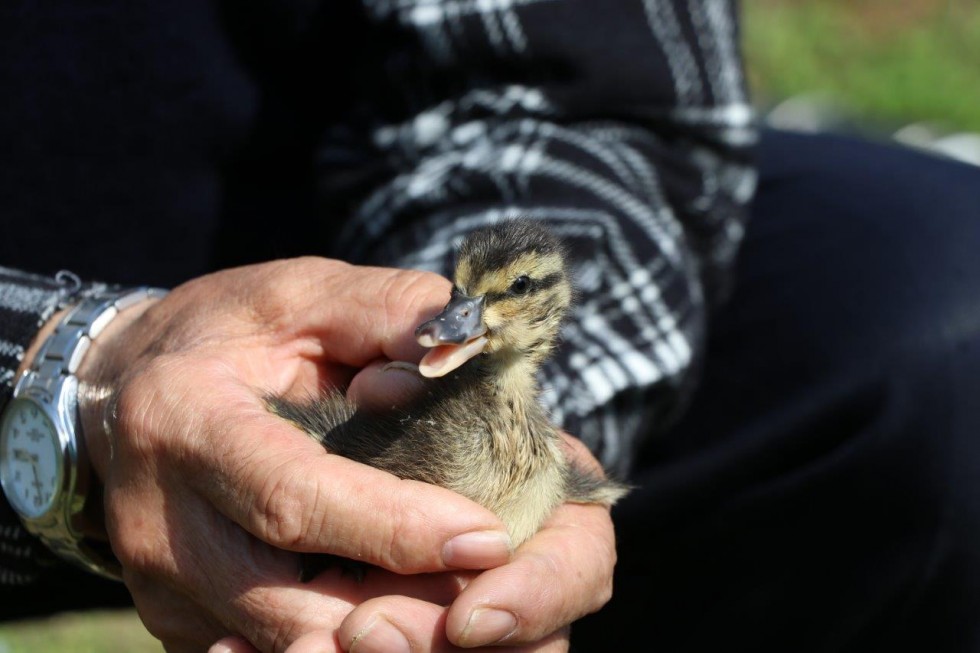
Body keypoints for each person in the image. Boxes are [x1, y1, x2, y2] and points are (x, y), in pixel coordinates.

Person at [2, 2, 979, 653]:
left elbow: (567, 89)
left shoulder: (474, 332)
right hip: (58, 284)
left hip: (322, 216)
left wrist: (550, 420)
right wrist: (62, 376)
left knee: (936, 308)